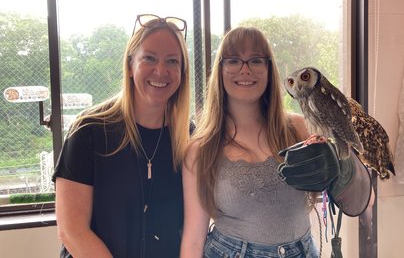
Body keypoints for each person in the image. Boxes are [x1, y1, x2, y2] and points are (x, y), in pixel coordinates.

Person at [180, 26, 372, 258]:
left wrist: (342, 169)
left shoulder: (300, 129)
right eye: (233, 60)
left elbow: (365, 200)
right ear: (220, 69)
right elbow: (193, 241)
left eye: (256, 60)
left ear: (270, 69)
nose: (245, 69)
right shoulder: (200, 151)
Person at [53, 14, 190, 258]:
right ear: (129, 65)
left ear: (182, 72)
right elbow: (72, 230)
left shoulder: (189, 137)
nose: (161, 71)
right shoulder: (89, 130)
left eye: (172, 61)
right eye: (149, 58)